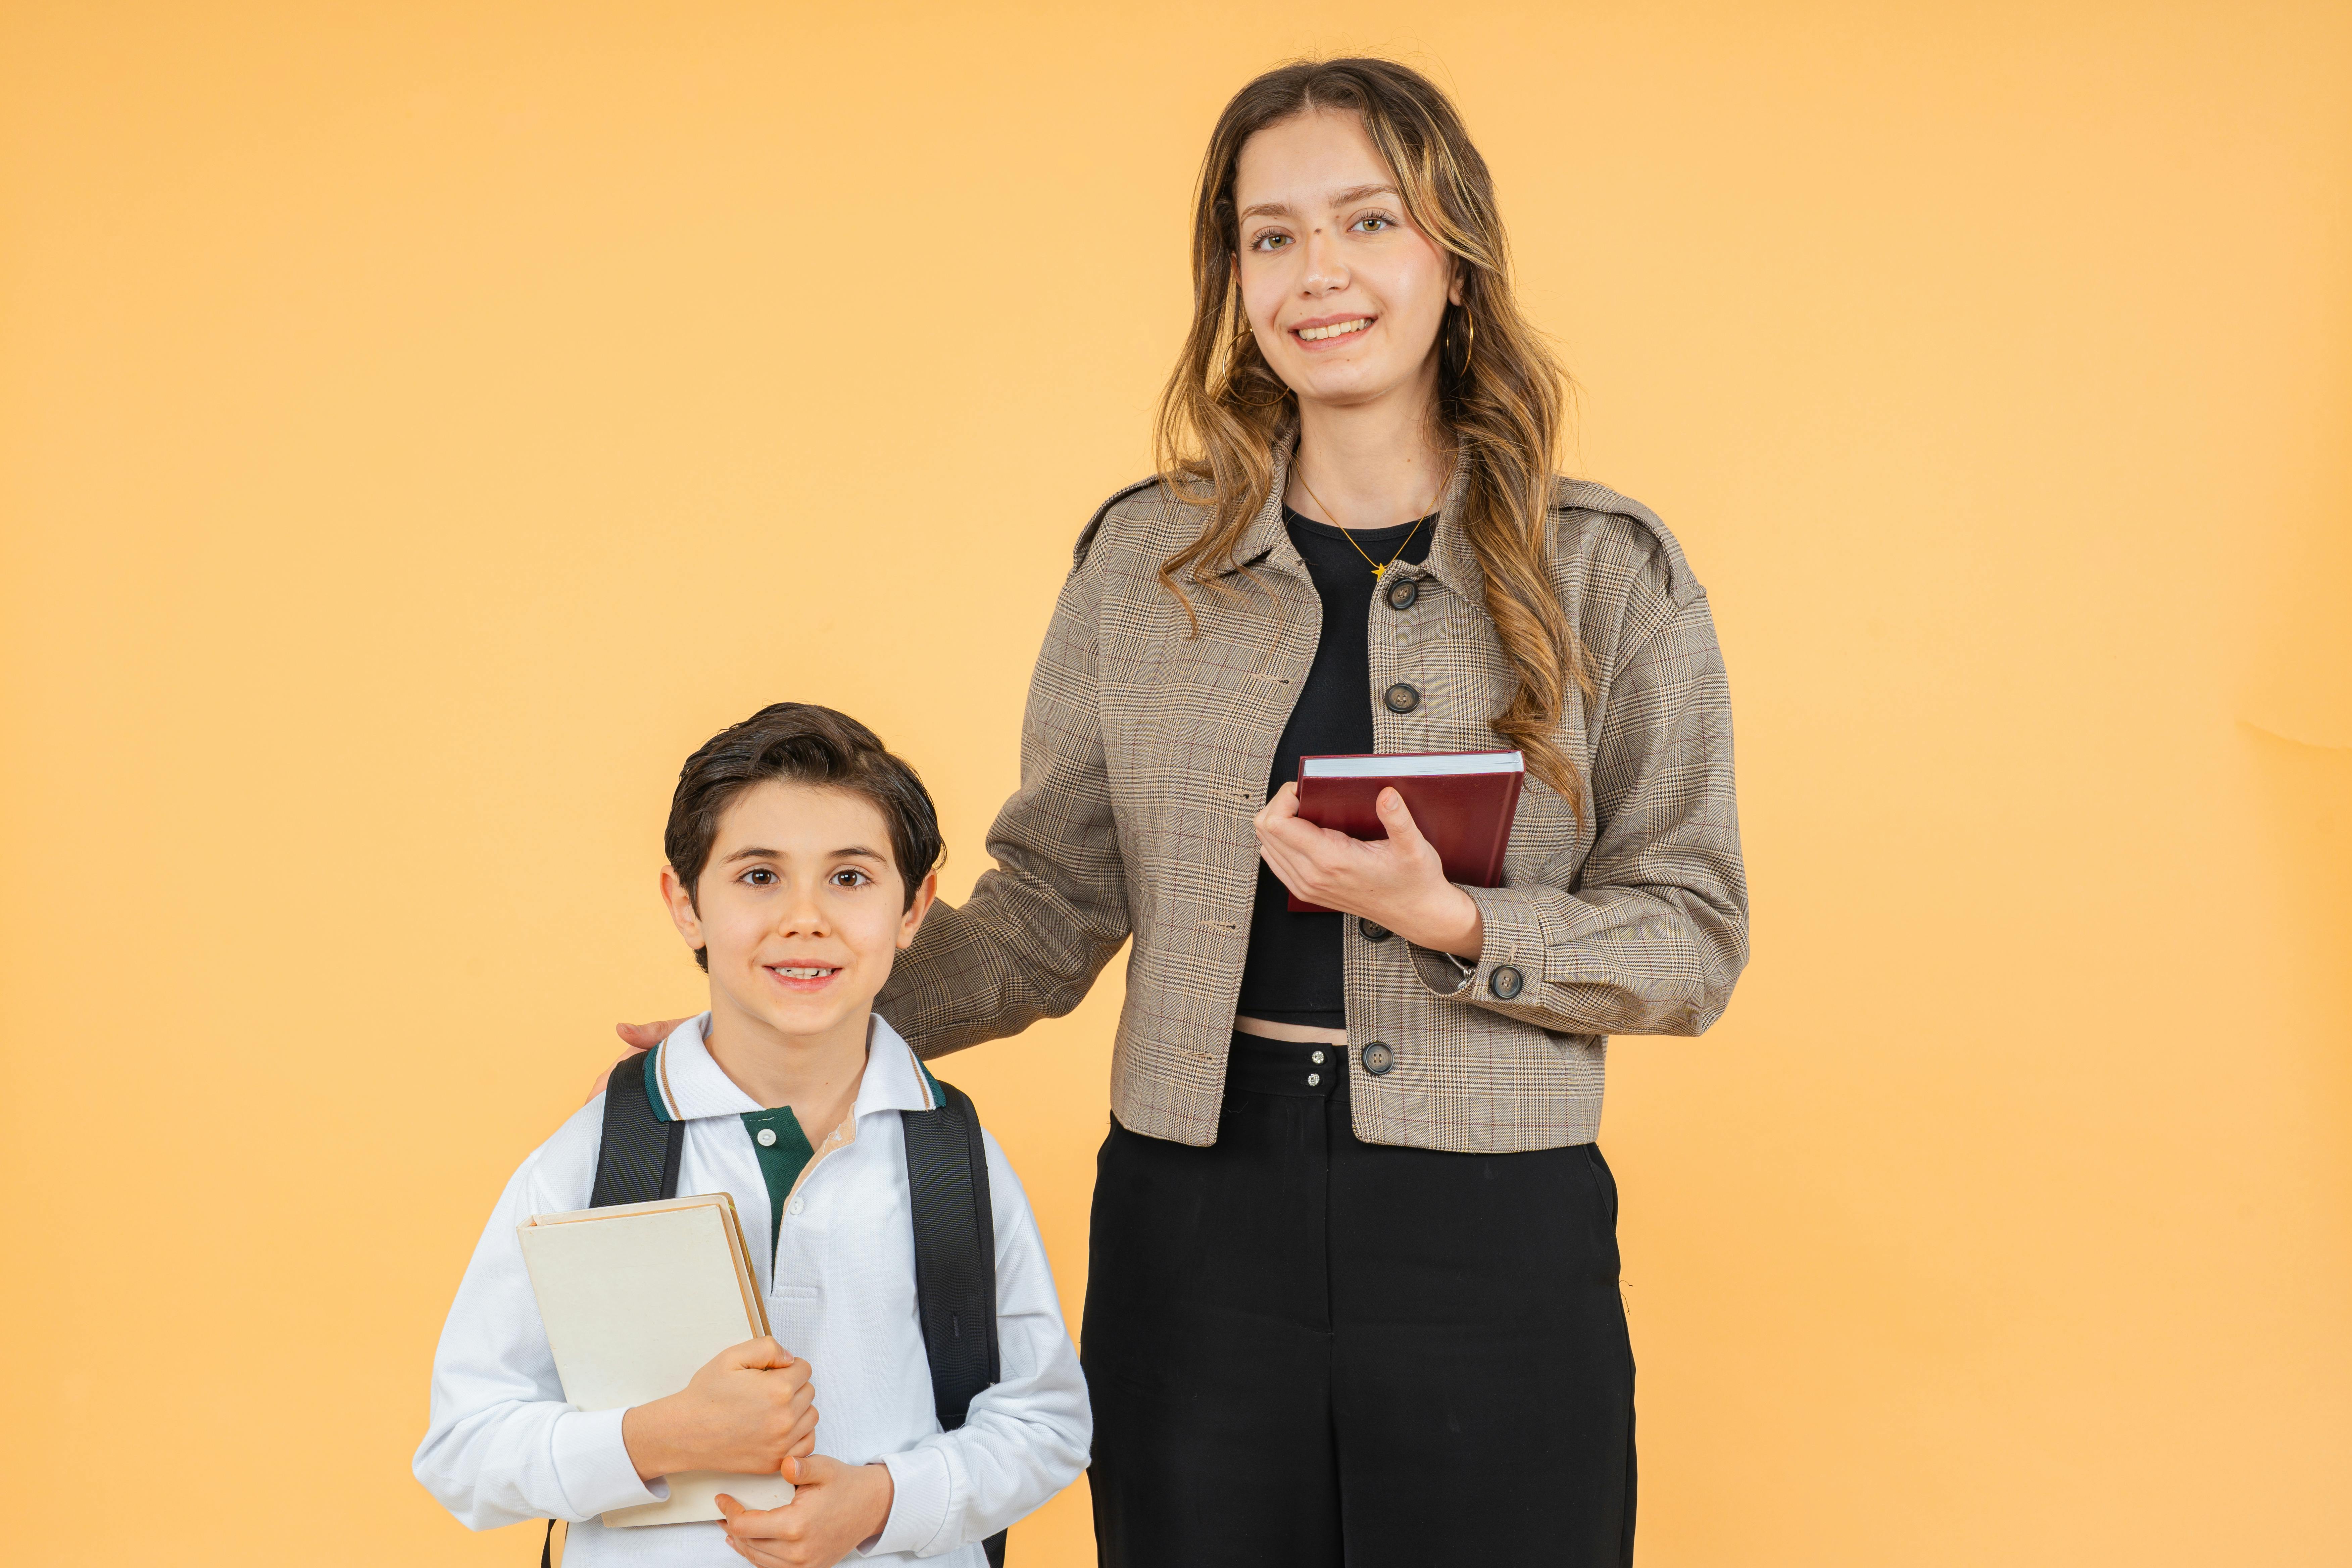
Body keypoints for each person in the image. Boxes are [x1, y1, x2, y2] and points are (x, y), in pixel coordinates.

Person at [623, 56, 1747, 1568]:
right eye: (1269, 236)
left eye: (1367, 221)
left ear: (1454, 257)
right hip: (1194, 1222)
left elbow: (1691, 934)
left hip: (1495, 1233)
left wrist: (1454, 919)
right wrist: (776, 1029)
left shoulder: (1607, 568)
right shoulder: (1145, 565)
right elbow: (1046, 907)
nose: (1318, 273)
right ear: (1231, 276)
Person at [419, 704, 1091, 1567]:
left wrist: (882, 1500)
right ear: (685, 902)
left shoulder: (955, 1156)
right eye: (759, 876)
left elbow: (1047, 1423)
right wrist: (658, 1436)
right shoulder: (595, 1153)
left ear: (914, 907)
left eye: (850, 878)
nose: (805, 918)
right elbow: (463, 1448)